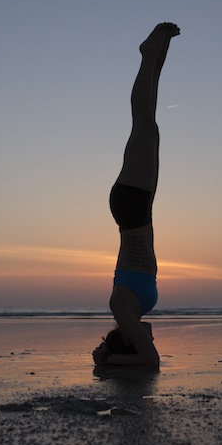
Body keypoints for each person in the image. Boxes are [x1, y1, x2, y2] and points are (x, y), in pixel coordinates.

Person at [92, 22, 180, 367]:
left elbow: (153, 362)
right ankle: (157, 55)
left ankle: (148, 55)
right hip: (139, 209)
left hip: (131, 206)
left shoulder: (122, 310)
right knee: (150, 125)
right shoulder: (132, 312)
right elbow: (146, 343)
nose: (148, 333)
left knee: (143, 123)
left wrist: (108, 358)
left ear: (128, 338)